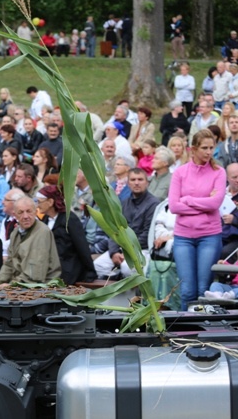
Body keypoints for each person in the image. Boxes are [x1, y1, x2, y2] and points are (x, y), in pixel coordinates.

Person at [169, 130, 226, 310]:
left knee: (203, 289)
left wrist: (188, 200)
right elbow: (174, 206)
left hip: (209, 235)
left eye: (211, 147)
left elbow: (215, 203)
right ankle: (187, 329)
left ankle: (204, 328)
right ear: (193, 149)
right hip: (183, 237)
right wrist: (204, 204)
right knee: (187, 290)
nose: (209, 152)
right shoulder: (180, 173)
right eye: (204, 148)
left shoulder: (219, 172)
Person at [94, 168, 160, 279]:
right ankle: (114, 289)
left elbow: (147, 234)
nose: (137, 183)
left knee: (126, 267)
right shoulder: (122, 203)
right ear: (128, 183)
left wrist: (128, 252)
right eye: (133, 180)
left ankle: (133, 293)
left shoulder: (154, 204)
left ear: (147, 183)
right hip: (121, 248)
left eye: (140, 179)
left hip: (142, 249)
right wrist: (114, 252)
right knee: (99, 265)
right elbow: (114, 230)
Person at [35, 185, 96, 285]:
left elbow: (82, 246)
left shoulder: (69, 219)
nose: (37, 205)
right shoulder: (45, 220)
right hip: (49, 267)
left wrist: (90, 271)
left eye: (40, 202)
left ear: (50, 202)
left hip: (67, 268)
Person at [0, 196, 61, 285]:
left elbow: (34, 274)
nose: (25, 216)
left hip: (41, 287)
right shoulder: (15, 232)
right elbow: (9, 263)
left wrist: (10, 286)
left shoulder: (42, 232)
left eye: (29, 211)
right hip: (20, 285)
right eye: (21, 212)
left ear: (35, 212)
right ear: (15, 215)